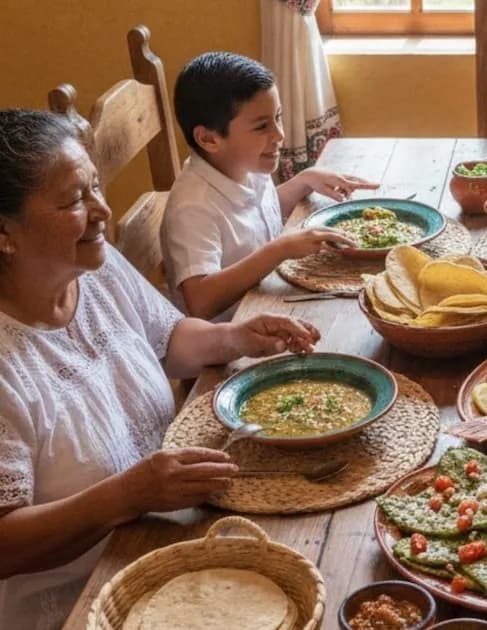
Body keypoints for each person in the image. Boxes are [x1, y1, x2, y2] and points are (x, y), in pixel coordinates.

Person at [0, 109, 323, 629]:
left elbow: (166, 339)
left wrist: (236, 337)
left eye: (96, 186)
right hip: (83, 603)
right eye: (75, 200)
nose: (103, 209)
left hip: (170, 540)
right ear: (4, 233)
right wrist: (126, 496)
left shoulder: (94, 268)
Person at [161, 51, 379, 321]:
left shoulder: (242, 164)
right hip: (233, 332)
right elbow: (201, 301)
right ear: (209, 139)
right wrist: (280, 250)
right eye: (262, 126)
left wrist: (303, 181)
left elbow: (254, 217)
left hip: (270, 303)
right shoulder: (193, 209)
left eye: (278, 117)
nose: (279, 134)